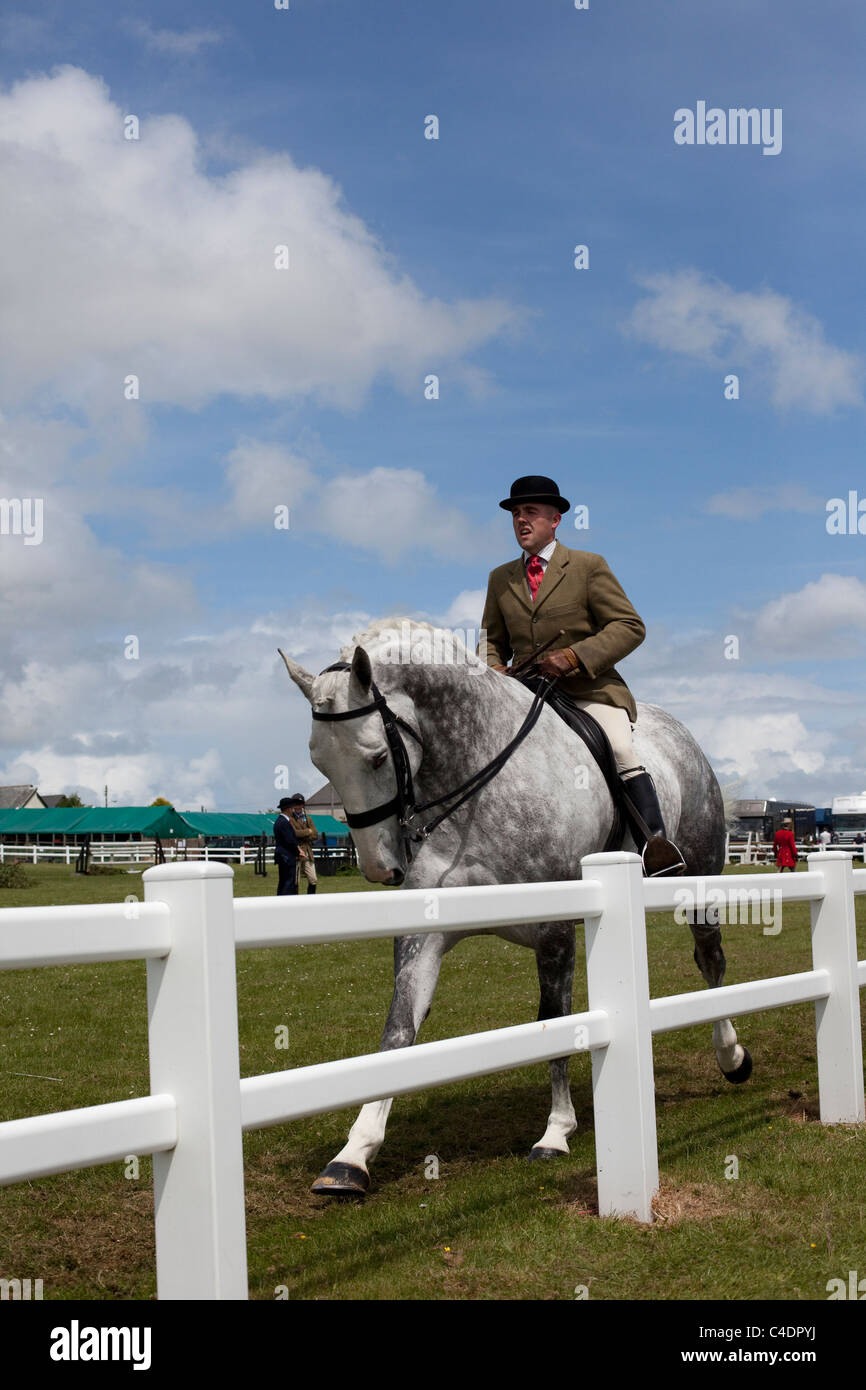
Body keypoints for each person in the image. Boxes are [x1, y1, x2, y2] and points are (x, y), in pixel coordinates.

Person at [479, 475, 685, 876]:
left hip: (590, 690)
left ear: (555, 519)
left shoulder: (589, 566)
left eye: (531, 513)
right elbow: (491, 641)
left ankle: (655, 845)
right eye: (516, 514)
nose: (522, 520)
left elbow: (629, 625)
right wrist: (493, 672)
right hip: (529, 692)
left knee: (622, 751)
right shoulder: (500, 578)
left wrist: (574, 656)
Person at [285, 792, 318, 895]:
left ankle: (311, 899)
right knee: (295, 881)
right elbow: (294, 833)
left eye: (300, 804)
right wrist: (308, 831)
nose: (298, 806)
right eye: (295, 804)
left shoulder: (308, 818)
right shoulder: (290, 819)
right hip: (296, 852)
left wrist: (303, 834)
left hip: (308, 852)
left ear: (303, 804)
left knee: (313, 879)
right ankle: (295, 901)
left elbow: (315, 835)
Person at [273, 796, 301, 895]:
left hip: (282, 855)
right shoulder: (284, 822)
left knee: (283, 881)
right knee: (288, 882)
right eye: (292, 808)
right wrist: (298, 852)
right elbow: (290, 840)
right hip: (287, 856)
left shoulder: (279, 821)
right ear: (289, 809)